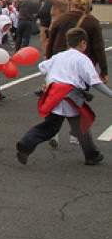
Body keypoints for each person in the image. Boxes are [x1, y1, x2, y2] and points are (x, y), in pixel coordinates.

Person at [16, 27, 112, 166]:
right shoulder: (82, 59)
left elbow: (43, 67)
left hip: (54, 94)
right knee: (80, 126)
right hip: (70, 96)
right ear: (83, 44)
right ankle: (92, 155)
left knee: (50, 126)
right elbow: (95, 82)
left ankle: (26, 143)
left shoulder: (59, 56)